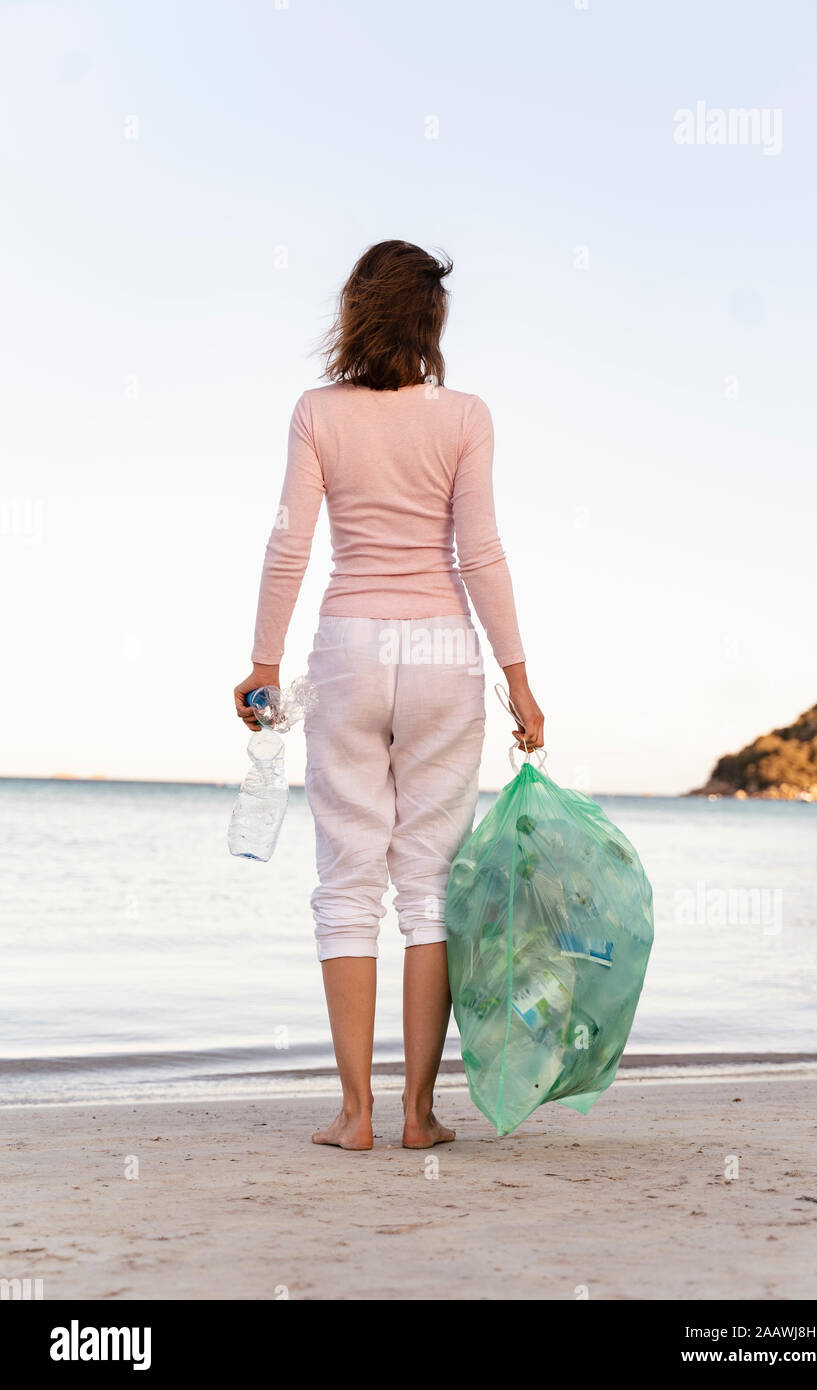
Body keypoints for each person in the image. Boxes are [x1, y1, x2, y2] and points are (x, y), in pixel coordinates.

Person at [234, 240, 544, 1150]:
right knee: (430, 886)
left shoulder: (317, 413)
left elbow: (289, 544)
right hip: (446, 648)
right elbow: (480, 553)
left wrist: (261, 662)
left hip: (350, 647)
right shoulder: (465, 416)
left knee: (347, 880)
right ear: (433, 322)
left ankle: (355, 1113)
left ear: (355, 311)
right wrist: (520, 680)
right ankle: (417, 1113)